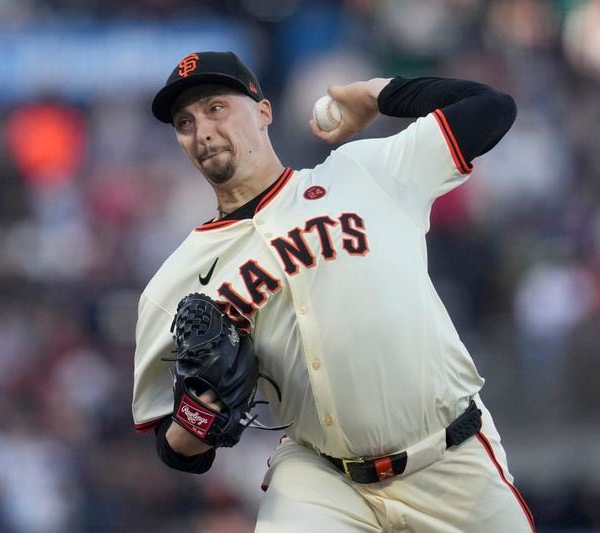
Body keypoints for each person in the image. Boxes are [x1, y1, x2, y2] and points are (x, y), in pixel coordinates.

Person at [133, 50, 534, 532]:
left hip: (451, 459)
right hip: (322, 481)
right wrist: (200, 417)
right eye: (184, 122)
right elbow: (173, 446)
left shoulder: (364, 172)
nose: (202, 131)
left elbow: (491, 108)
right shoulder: (171, 284)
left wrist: (378, 94)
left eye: (216, 108)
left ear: (264, 112)